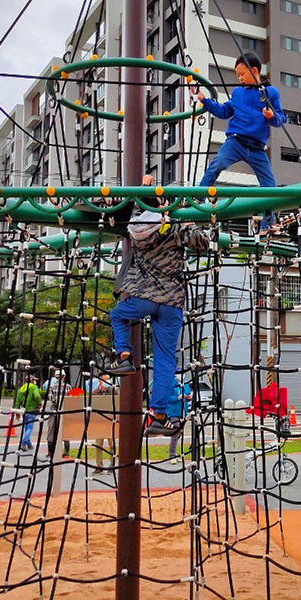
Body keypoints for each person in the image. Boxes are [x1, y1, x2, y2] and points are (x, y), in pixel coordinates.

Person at [108, 180, 211, 436]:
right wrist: (186, 219)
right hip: (172, 301)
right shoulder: (175, 227)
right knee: (165, 359)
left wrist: (143, 185)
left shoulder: (135, 228)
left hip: (143, 296)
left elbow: (135, 206)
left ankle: (123, 356)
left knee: (117, 315)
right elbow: (203, 243)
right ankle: (160, 415)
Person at [195, 53, 285, 230]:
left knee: (269, 184)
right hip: (235, 141)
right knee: (216, 164)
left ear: (254, 70)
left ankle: (267, 225)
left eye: (242, 74)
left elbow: (280, 119)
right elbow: (223, 111)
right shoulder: (237, 93)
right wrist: (205, 101)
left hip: (257, 147)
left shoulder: (270, 92)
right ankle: (197, 199)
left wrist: (271, 116)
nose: (240, 78)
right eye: (238, 75)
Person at [167, 378, 194, 460]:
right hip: (173, 412)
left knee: (179, 433)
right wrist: (177, 397)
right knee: (176, 432)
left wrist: (189, 397)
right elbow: (167, 398)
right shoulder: (171, 384)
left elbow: (188, 394)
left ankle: (173, 451)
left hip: (183, 413)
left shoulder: (185, 384)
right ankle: (172, 455)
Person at [16, 376, 43, 452]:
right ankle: (24, 443)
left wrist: (17, 411)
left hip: (24, 411)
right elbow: (37, 396)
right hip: (32, 410)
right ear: (31, 380)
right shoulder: (33, 387)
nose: (35, 381)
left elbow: (18, 402)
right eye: (34, 380)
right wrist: (39, 403)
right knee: (30, 428)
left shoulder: (21, 389)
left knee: (26, 428)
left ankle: (29, 444)